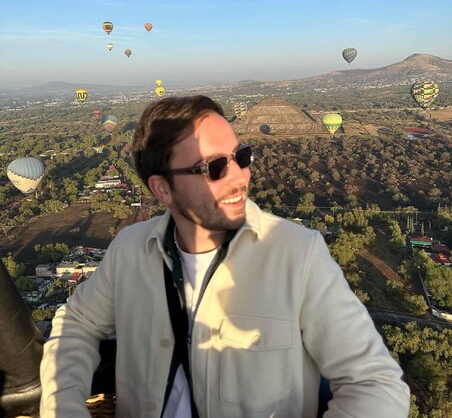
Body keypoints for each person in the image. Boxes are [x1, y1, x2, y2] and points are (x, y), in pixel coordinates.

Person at [40, 95, 410, 417]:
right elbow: (76, 324)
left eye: (241, 157)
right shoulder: (130, 249)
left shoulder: (297, 253)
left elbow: (376, 384)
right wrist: (64, 408)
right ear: (162, 188)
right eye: (215, 167)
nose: (239, 176)